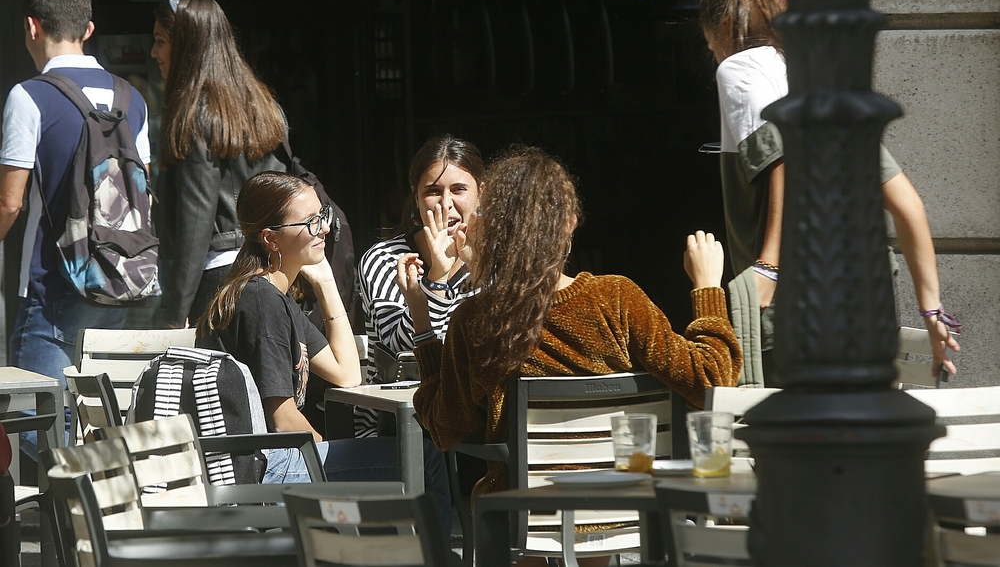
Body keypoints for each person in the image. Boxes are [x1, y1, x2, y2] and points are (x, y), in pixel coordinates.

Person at [402, 147, 741, 566]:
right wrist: (708, 287)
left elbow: (446, 426)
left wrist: (423, 328)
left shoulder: (475, 321)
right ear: (571, 222)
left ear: (486, 227)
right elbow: (713, 379)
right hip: (621, 511)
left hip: (520, 519)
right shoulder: (616, 298)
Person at [700, 0, 960, 379]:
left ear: (720, 28)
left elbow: (785, 157)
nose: (711, 54)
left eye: (708, 43)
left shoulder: (740, 69)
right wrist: (931, 309)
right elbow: (908, 204)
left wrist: (768, 268)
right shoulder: (817, 83)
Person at [196, 171, 453, 542]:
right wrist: (333, 464)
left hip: (266, 463)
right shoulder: (261, 301)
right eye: (311, 222)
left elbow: (347, 374)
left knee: (400, 463)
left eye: (324, 215)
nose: (325, 229)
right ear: (271, 238)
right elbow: (283, 420)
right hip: (267, 469)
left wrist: (326, 281)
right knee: (423, 460)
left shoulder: (270, 294)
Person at [0, 0, 151, 460]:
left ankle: (59, 533)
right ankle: (96, 525)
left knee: (37, 431)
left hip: (52, 285)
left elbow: (10, 202)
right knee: (102, 425)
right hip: (125, 281)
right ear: (88, 30)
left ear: (31, 27)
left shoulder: (30, 96)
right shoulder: (135, 100)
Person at [152, 0, 290, 329]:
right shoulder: (263, 105)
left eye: (160, 41)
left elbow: (196, 221)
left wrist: (176, 312)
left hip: (217, 278)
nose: (154, 53)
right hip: (270, 270)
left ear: (185, 45)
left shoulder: (198, 115)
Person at [357, 135, 485, 436]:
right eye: (432, 191)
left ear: (481, 194)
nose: (446, 203)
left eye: (458, 190)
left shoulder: (497, 262)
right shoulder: (385, 258)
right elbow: (399, 351)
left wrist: (479, 267)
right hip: (401, 429)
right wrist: (436, 279)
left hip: (477, 421)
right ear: (416, 197)